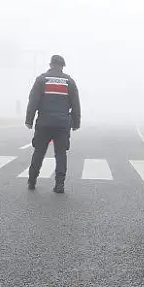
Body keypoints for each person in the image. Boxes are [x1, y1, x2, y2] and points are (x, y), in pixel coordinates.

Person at [25, 55, 81, 193]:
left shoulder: (42, 79)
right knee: (61, 154)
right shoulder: (69, 81)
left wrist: (29, 120)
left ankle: (32, 180)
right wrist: (76, 122)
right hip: (62, 124)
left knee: (39, 152)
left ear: (50, 64)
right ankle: (60, 185)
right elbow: (75, 104)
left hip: (44, 122)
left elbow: (33, 101)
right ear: (63, 66)